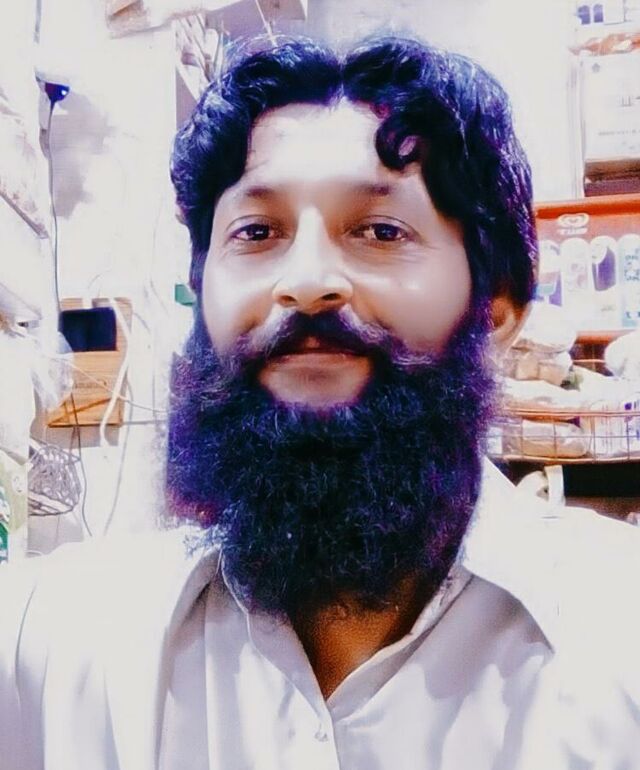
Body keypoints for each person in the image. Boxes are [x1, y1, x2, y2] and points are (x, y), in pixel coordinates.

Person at [1, 35, 639, 770]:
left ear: (494, 309)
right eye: (256, 232)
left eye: (380, 231)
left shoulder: (620, 637)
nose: (305, 282)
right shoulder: (54, 648)